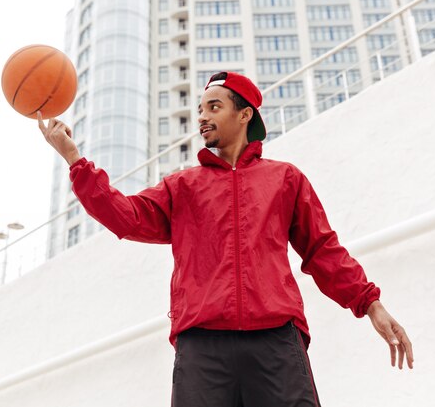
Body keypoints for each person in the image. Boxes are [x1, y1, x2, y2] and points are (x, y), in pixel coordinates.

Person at [37, 71, 414, 406]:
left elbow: (322, 249)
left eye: (213, 107)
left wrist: (370, 304)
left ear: (244, 114)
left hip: (276, 343)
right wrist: (75, 161)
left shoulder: (286, 179)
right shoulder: (182, 186)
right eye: (199, 109)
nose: (201, 116)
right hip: (203, 346)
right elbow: (125, 216)